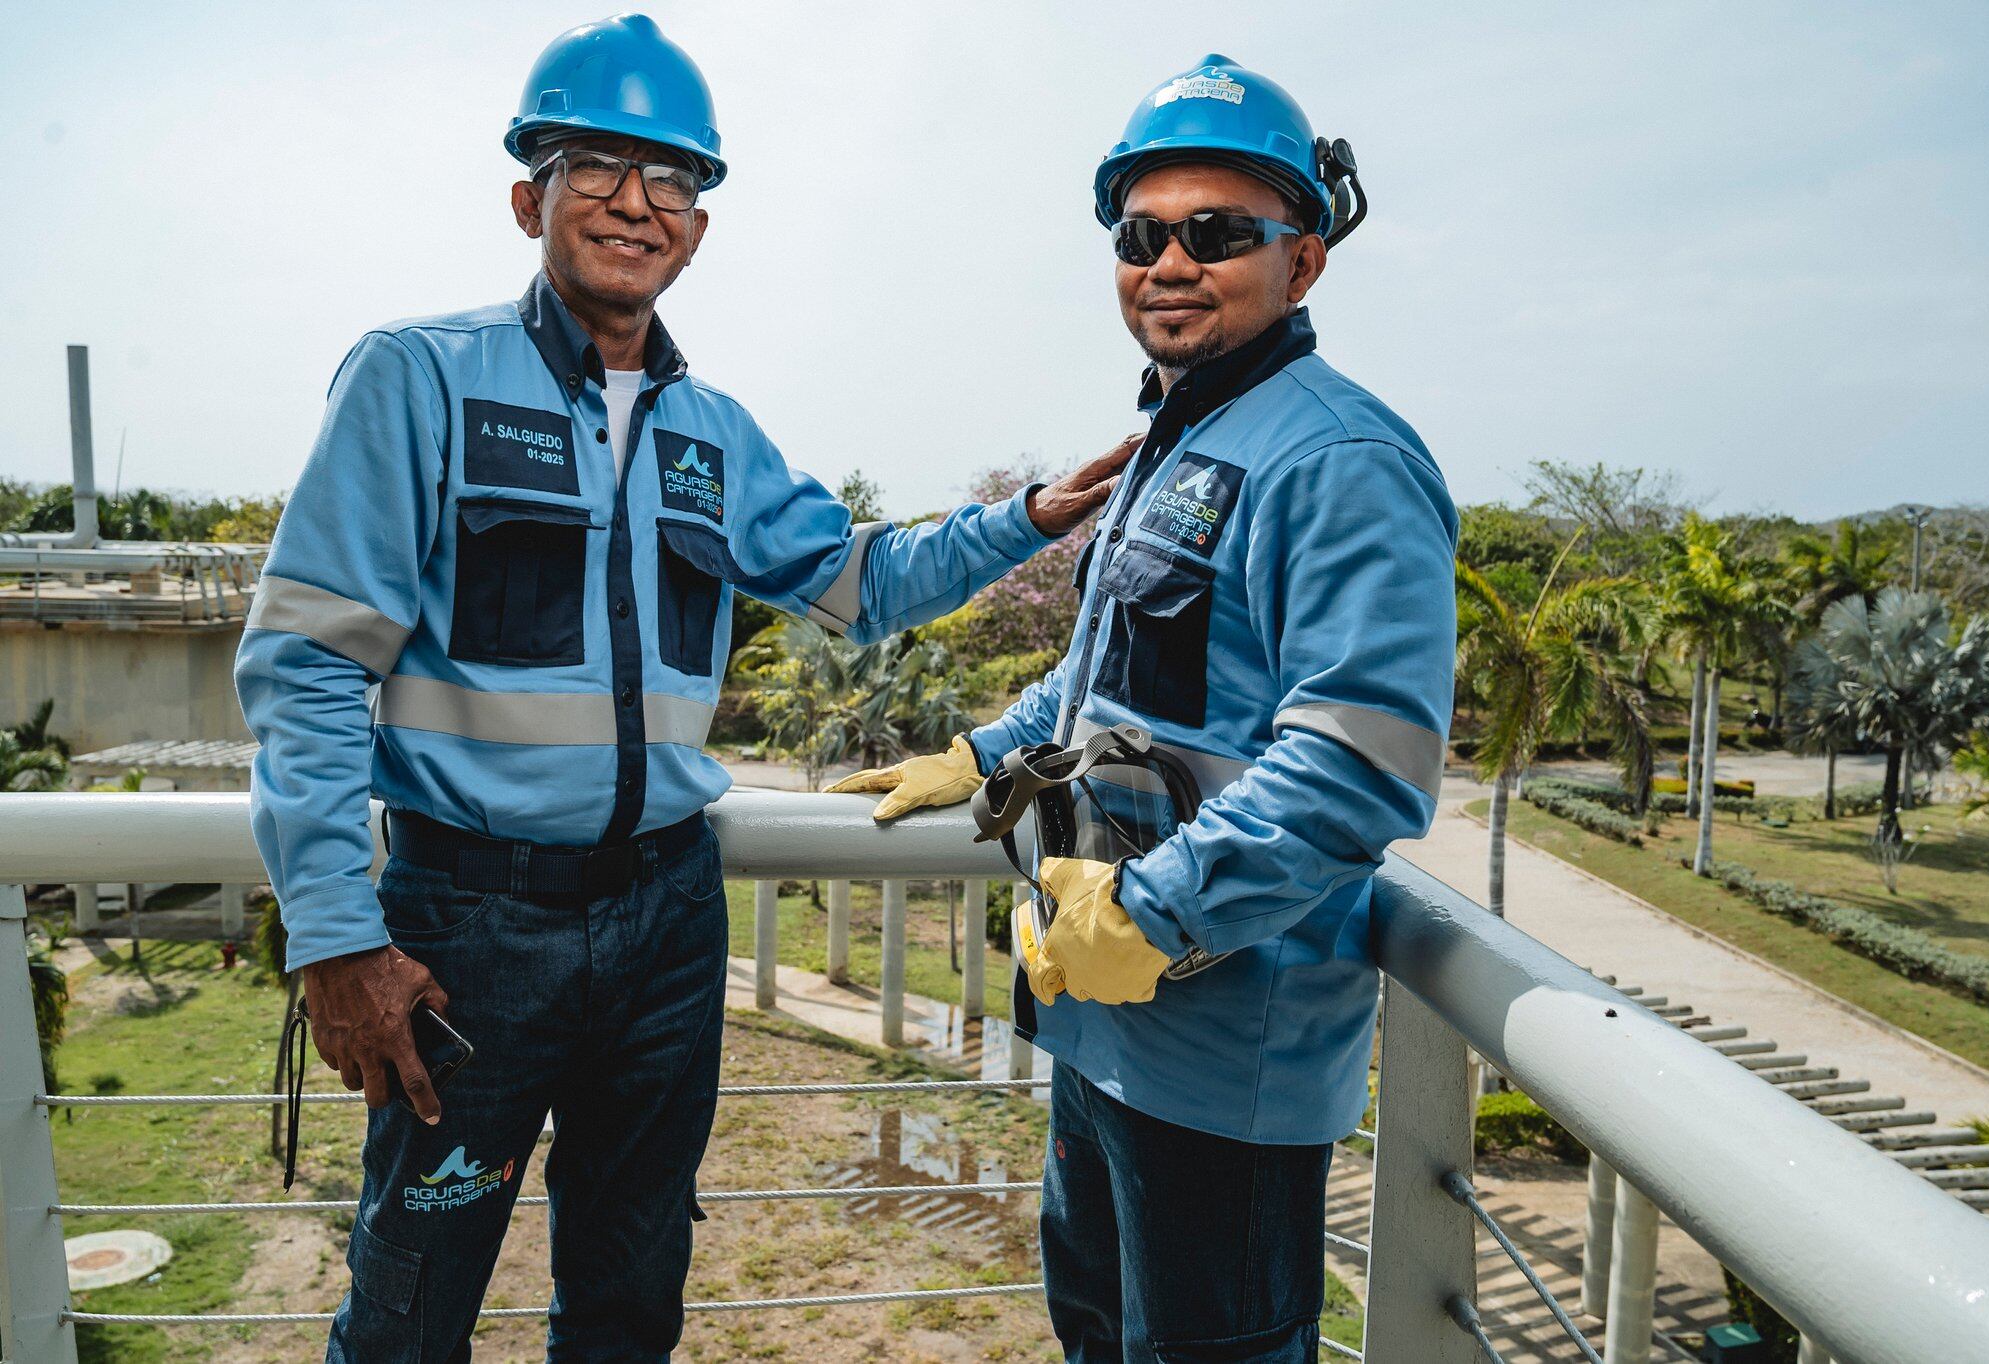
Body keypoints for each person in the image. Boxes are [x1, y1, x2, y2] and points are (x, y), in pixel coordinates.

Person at [234, 15, 1129, 1361]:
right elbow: (302, 667)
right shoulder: (419, 380)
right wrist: (335, 934)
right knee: (413, 1293)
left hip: (664, 925)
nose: (637, 205)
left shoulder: (711, 435)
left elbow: (857, 579)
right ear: (530, 194)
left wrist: (1029, 517)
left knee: (630, 1295)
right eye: (599, 167)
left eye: (674, 182)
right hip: (471, 931)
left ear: (699, 227)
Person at [833, 55, 1456, 1363]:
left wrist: (1153, 916)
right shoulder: (1177, 444)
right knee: (1098, 1335)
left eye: (1217, 232)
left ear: (1306, 259)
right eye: (1141, 233)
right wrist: (984, 753)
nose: (1168, 262)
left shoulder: (1340, 459)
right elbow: (1106, 679)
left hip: (1227, 1047)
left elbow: (1361, 763)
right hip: (1103, 1015)